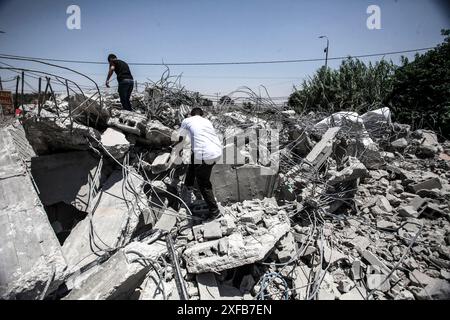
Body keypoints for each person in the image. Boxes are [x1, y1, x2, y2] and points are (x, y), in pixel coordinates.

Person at [178, 107, 222, 220]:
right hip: (217, 151)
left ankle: (215, 211)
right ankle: (187, 189)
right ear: (202, 115)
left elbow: (180, 137)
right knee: (193, 164)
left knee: (203, 183)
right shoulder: (207, 121)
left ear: (190, 114)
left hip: (205, 154)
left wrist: (175, 148)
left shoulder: (187, 120)